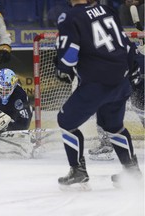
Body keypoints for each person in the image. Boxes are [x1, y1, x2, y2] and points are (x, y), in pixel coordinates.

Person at [55, 0, 142, 189]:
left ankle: (78, 170)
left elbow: (70, 54)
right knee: (113, 125)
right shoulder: (107, 9)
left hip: (97, 84)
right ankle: (131, 170)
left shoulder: (69, 16)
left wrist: (63, 68)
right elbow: (125, 44)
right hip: (121, 81)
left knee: (65, 121)